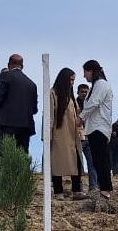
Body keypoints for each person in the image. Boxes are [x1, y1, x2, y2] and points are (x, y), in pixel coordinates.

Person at [49, 68, 86, 200]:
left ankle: (77, 191)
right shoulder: (53, 94)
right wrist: (48, 136)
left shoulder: (71, 96)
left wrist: (81, 133)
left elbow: (77, 116)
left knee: (76, 162)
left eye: (73, 80)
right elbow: (49, 116)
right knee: (57, 164)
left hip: (73, 135)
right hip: (59, 135)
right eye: (70, 80)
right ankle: (58, 192)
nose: (72, 83)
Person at [79, 60, 113, 200]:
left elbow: (94, 103)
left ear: (91, 71)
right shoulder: (96, 86)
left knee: (101, 159)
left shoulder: (101, 85)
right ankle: (103, 187)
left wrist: (81, 117)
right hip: (94, 127)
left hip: (99, 127)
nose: (84, 76)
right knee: (97, 160)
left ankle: (105, 189)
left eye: (85, 72)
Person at [0, 54, 38, 153]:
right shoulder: (32, 84)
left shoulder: (5, 76)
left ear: (9, 65)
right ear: (22, 66)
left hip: (7, 123)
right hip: (25, 125)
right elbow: (34, 109)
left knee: (6, 154)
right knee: (22, 154)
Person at [75, 84, 97, 191]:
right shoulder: (73, 104)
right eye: (82, 91)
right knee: (78, 164)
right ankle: (78, 188)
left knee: (92, 163)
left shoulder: (92, 104)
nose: (84, 93)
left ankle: (93, 186)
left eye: (86, 92)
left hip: (90, 137)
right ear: (78, 92)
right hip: (78, 137)